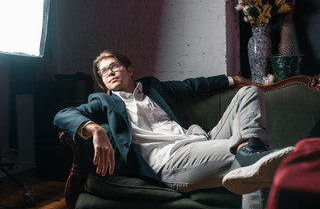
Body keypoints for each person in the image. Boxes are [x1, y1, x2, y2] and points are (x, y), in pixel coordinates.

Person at [54, 50, 293, 208]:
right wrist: (95, 130)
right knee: (258, 162)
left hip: (201, 140)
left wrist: (234, 80)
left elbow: (194, 85)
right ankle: (250, 151)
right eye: (104, 72)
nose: (110, 72)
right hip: (170, 162)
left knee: (249, 92)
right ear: (103, 82)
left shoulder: (153, 87)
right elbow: (62, 115)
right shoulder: (103, 102)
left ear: (128, 69)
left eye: (114, 66)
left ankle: (249, 149)